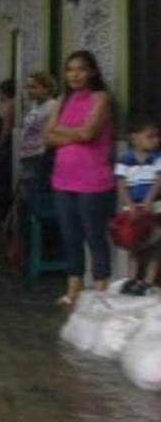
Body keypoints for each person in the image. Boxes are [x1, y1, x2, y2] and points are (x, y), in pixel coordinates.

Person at [46, 50, 115, 308]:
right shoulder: (63, 100)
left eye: (81, 69)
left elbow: (89, 134)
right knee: (70, 235)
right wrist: (75, 133)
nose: (75, 74)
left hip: (93, 180)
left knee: (94, 236)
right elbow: (47, 136)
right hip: (63, 179)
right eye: (70, 69)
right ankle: (73, 290)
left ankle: (100, 291)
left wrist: (61, 131)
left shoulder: (101, 97)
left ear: (92, 72)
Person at [113, 118, 161, 294]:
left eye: (157, 136)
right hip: (132, 207)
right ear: (134, 138)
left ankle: (149, 281)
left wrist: (149, 200)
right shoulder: (125, 159)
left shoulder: (157, 158)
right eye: (150, 136)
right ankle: (132, 278)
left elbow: (158, 180)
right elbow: (121, 184)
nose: (156, 140)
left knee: (154, 243)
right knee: (133, 244)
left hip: (154, 206)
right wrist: (129, 204)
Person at [19, 72, 60, 203]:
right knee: (28, 196)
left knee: (36, 196)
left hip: (40, 156)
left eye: (33, 87)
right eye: (27, 87)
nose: (29, 91)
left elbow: (53, 132)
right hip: (28, 156)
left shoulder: (53, 106)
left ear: (46, 89)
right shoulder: (35, 105)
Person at [0, 79, 16, 217]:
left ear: (4, 92)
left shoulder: (9, 105)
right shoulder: (9, 104)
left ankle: (3, 212)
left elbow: (6, 130)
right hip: (5, 146)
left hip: (5, 147)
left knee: (1, 179)